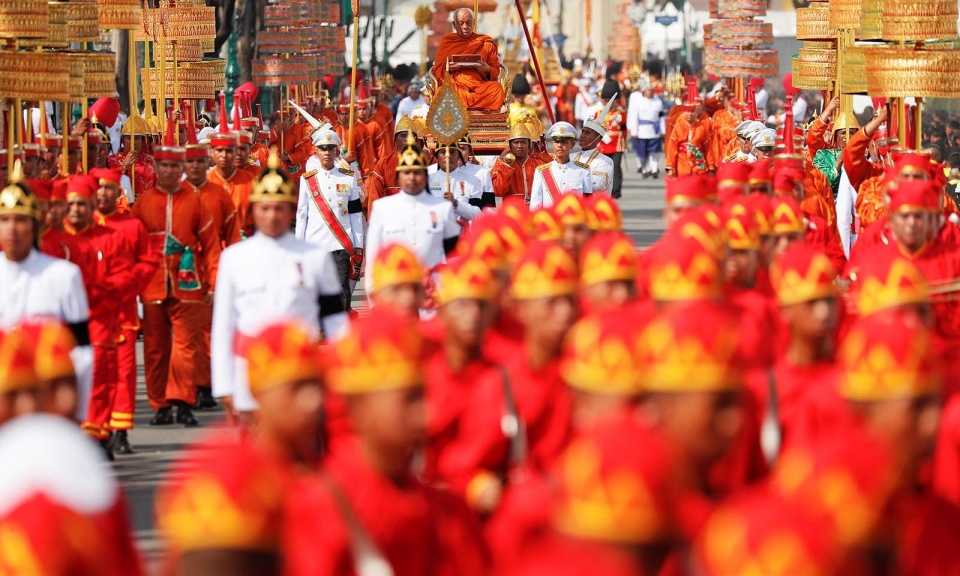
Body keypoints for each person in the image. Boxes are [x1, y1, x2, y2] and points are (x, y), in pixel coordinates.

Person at [212, 150, 349, 422]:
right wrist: (224, 385)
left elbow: (335, 322)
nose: (272, 215)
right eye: (265, 207)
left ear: (290, 211)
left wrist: (341, 373)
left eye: (279, 208)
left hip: (301, 373)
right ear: (253, 210)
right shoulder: (234, 259)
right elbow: (223, 325)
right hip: (250, 373)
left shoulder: (315, 257)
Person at [131, 115, 222, 428]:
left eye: (174, 166)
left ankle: (183, 400)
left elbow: (210, 244)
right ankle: (160, 405)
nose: (169, 171)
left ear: (181, 168)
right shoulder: (142, 203)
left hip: (188, 283)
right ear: (155, 168)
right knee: (156, 348)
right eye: (163, 165)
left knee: (185, 344)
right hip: (153, 283)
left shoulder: (196, 204)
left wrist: (212, 283)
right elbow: (133, 246)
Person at [0, 166, 93, 422]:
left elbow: (82, 351)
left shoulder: (63, 275)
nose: (12, 229)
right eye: (5, 220)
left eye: (20, 219)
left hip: (49, 403)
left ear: (34, 225)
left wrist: (78, 414)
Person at [364, 134, 461, 294]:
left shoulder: (442, 209)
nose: (412, 177)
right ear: (398, 176)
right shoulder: (382, 209)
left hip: (434, 293)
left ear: (425, 175)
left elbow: (454, 255)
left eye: (417, 172)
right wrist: (374, 296)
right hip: (395, 291)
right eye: (406, 172)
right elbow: (374, 256)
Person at [296, 129, 365, 314]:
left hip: (340, 243)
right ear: (316, 152)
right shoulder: (307, 180)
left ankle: (338, 330)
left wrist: (358, 244)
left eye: (331, 148)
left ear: (337, 151)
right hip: (314, 243)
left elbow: (356, 214)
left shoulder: (348, 178)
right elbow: (301, 216)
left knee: (341, 288)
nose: (327, 152)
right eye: (323, 148)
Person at [431, 7, 505, 111]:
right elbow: (437, 70)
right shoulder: (447, 42)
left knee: (496, 89)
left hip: (480, 87)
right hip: (456, 86)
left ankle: (465, 106)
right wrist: (447, 68)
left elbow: (496, 70)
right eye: (461, 23)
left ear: (474, 23)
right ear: (454, 25)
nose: (465, 27)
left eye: (468, 23)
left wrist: (487, 69)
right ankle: (476, 106)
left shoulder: (486, 43)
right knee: (441, 93)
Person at [207, 94, 255, 236]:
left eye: (229, 150)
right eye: (219, 151)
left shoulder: (251, 181)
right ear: (212, 152)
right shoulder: (206, 182)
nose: (224, 155)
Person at [529, 122, 593, 209]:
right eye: (556, 142)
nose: (559, 145)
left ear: (572, 145)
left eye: (564, 142)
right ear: (552, 144)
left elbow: (588, 203)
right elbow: (535, 205)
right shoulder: (541, 171)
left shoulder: (583, 171)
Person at [366, 115, 419, 213]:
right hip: (391, 218)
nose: (407, 139)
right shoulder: (383, 164)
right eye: (403, 136)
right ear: (395, 140)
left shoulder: (425, 163)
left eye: (411, 136)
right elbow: (375, 196)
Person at [490, 120, 551, 201]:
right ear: (510, 146)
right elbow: (498, 191)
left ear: (529, 145)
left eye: (523, 142)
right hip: (512, 211)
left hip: (535, 210)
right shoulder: (502, 164)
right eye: (516, 142)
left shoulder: (540, 165)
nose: (520, 146)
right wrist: (506, 166)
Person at [428, 142, 485, 222]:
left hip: (462, 232)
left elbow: (477, 214)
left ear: (458, 155)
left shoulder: (472, 180)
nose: (447, 156)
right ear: (437, 156)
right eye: (443, 152)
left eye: (452, 152)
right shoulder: (426, 181)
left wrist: (456, 204)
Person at [575, 95, 617, 196]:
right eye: (583, 132)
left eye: (587, 133)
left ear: (597, 138)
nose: (582, 136)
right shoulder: (571, 157)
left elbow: (596, 185)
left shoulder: (605, 161)